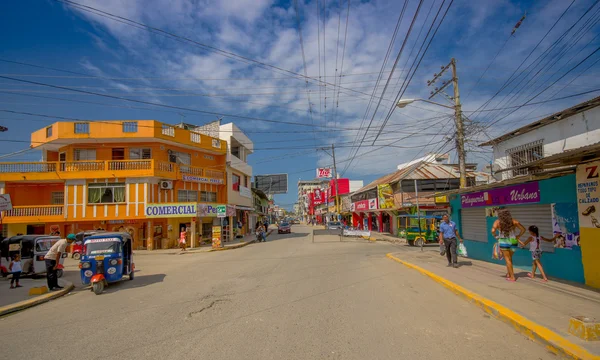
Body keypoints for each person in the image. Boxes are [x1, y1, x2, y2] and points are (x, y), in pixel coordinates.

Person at [491, 208, 526, 282]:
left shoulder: (497, 222)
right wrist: (518, 236)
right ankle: (509, 273)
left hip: (504, 241)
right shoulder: (514, 221)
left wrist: (496, 236)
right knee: (509, 258)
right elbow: (523, 229)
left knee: (507, 260)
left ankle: (512, 277)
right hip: (513, 241)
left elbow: (493, 231)